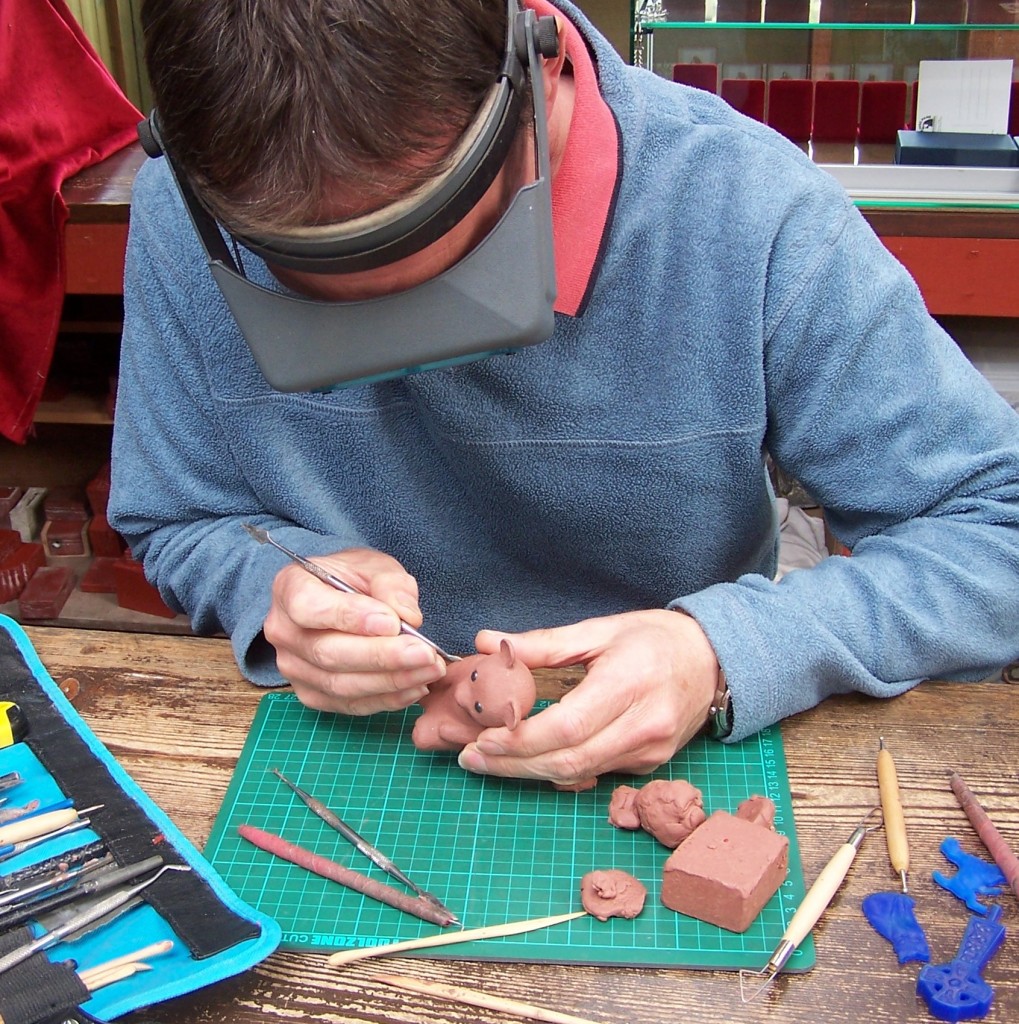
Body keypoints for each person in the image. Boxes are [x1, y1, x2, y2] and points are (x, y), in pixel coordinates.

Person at [109, 0, 1019, 789]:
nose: (397, 347)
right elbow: (176, 516)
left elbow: (995, 530)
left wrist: (724, 652)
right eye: (322, 304)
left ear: (538, 85)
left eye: (444, 276)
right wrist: (273, 588)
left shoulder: (745, 209)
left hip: (685, 749)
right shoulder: (184, 213)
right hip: (348, 749)